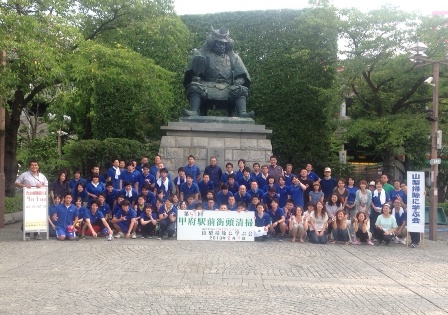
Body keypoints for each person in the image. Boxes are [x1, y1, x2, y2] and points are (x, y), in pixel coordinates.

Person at [182, 27, 253, 118]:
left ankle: (242, 113)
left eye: (224, 44)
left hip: (228, 87)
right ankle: (194, 111)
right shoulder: (204, 55)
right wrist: (196, 78)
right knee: (194, 87)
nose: (222, 46)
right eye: (219, 43)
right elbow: (195, 67)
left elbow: (243, 75)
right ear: (213, 43)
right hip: (207, 86)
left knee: (241, 89)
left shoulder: (233, 57)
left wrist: (239, 81)